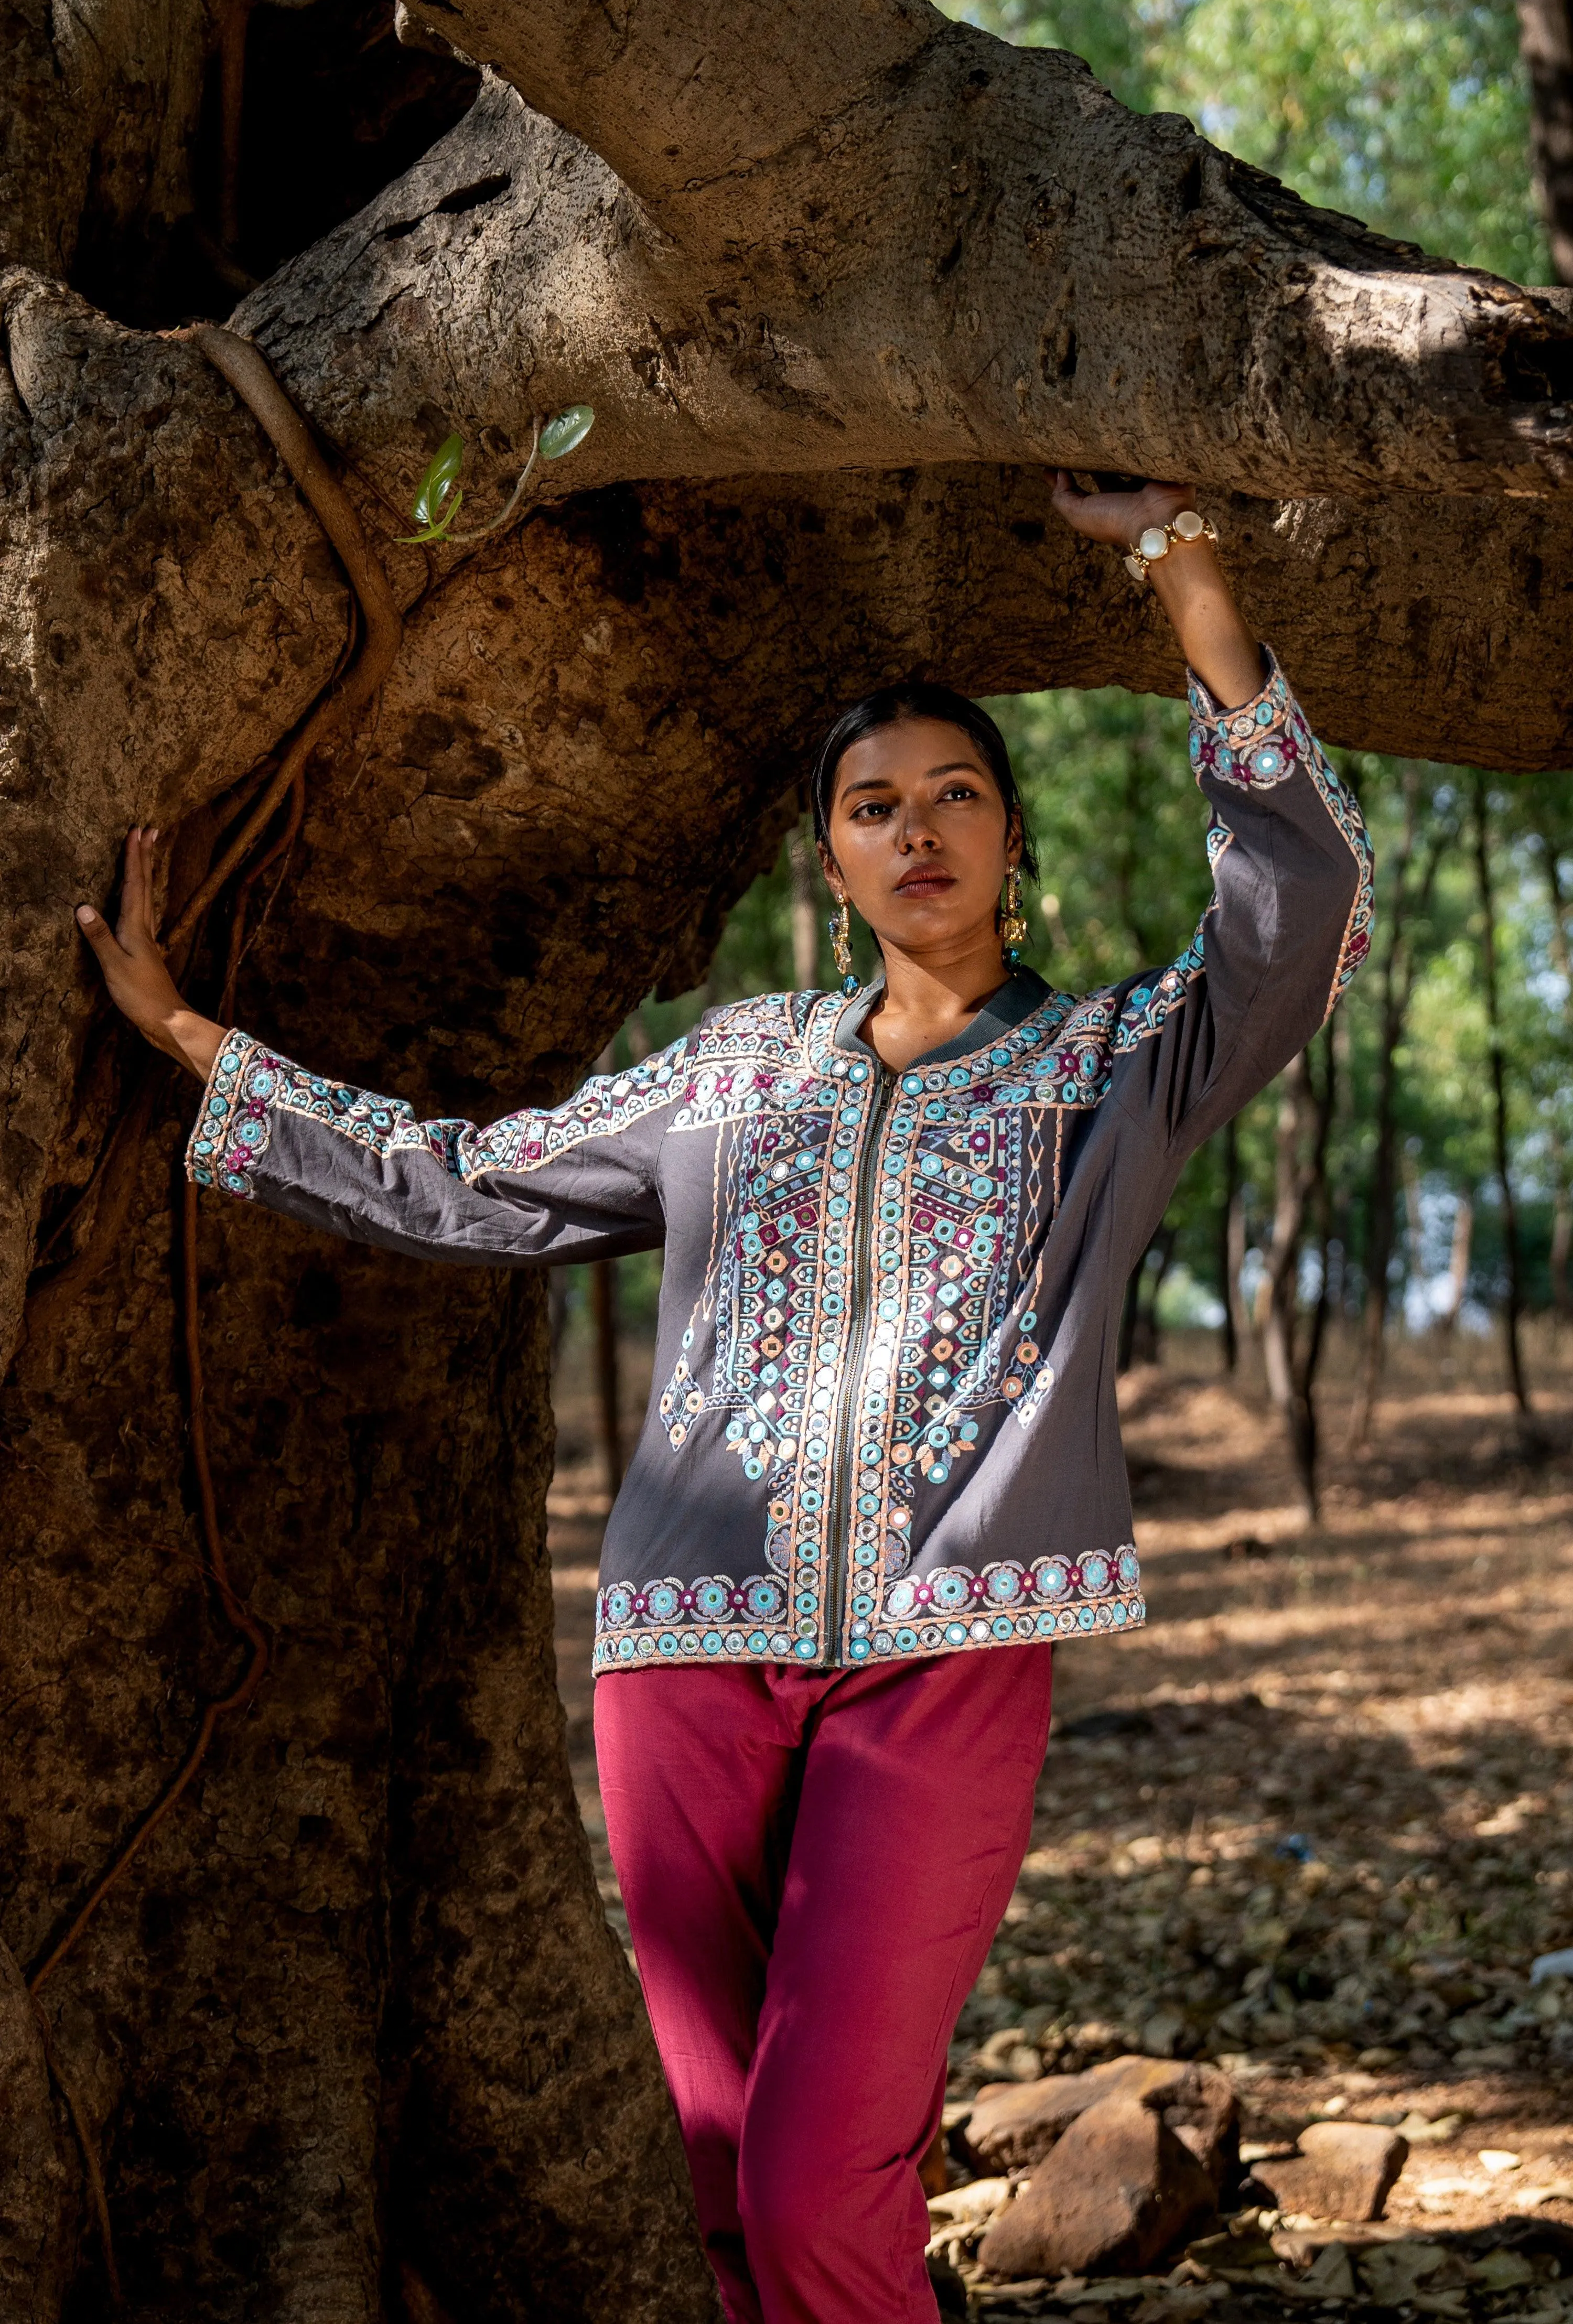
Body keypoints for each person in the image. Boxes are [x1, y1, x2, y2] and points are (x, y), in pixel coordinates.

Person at [76, 476, 1372, 2324]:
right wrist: (198, 1042)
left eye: (956, 796)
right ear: (826, 861)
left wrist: (1192, 580)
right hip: (683, 1651)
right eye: (873, 805)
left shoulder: (1112, 1069)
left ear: (1015, 842)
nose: (916, 830)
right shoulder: (733, 1069)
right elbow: (472, 1179)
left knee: (813, 2165)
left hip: (947, 1659)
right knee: (707, 2165)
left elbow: (1296, 910)